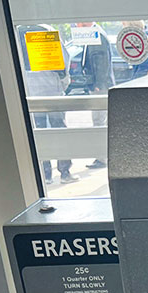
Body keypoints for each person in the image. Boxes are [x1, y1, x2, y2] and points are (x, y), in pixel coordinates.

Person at [17, 24, 77, 185]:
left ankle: (45, 175)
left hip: (30, 90)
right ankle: (65, 172)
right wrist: (64, 82)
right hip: (51, 88)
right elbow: (63, 61)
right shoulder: (46, 30)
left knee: (37, 133)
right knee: (59, 130)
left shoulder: (17, 31)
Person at [77, 22, 115, 169]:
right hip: (100, 85)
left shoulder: (96, 35)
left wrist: (98, 83)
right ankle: (102, 157)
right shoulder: (94, 34)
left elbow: (101, 61)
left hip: (100, 86)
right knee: (100, 120)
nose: (77, 25)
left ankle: (102, 158)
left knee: (99, 121)